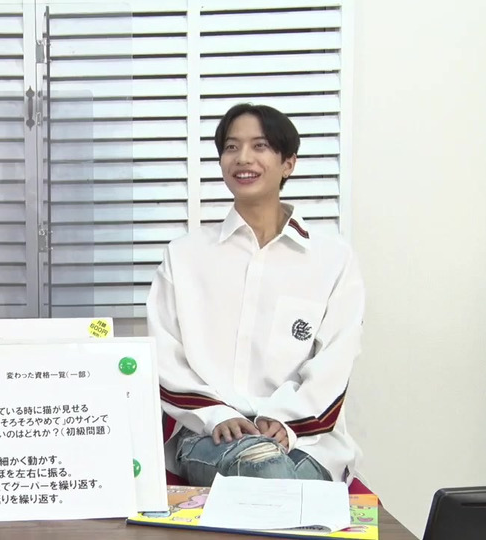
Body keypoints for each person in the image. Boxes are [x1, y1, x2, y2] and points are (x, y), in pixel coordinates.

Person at [148, 103, 363, 487]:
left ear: (288, 163)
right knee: (267, 471)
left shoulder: (333, 259)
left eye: (259, 146)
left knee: (274, 473)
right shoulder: (184, 256)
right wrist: (217, 414)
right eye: (231, 147)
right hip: (210, 435)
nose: (243, 158)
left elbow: (336, 359)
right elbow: (163, 355)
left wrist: (285, 419)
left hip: (307, 440)